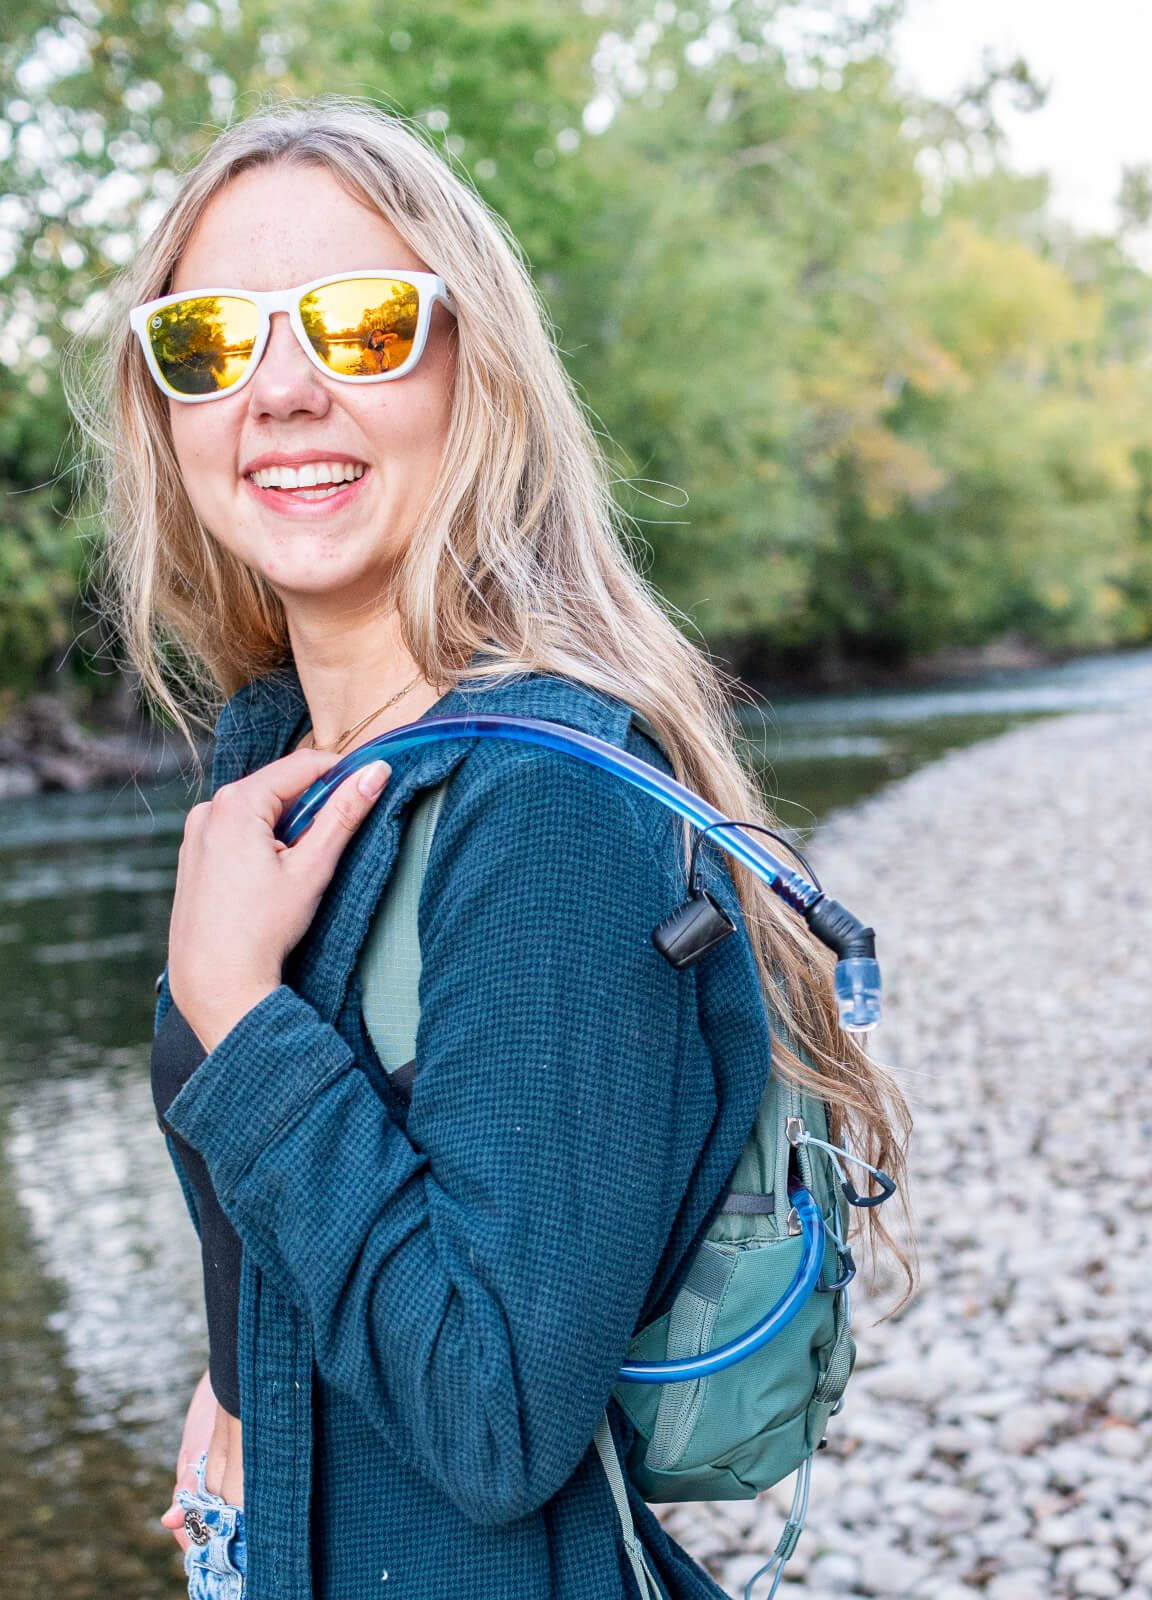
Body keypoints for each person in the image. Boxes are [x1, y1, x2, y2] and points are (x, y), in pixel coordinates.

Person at [68, 97, 911, 1600]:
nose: (280, 391)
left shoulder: (550, 809)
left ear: (479, 374)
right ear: (166, 406)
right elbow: (287, 1226)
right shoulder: (276, 757)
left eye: (364, 323)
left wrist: (244, 1015)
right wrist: (239, 1380)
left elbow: (499, 1416)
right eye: (210, 341)